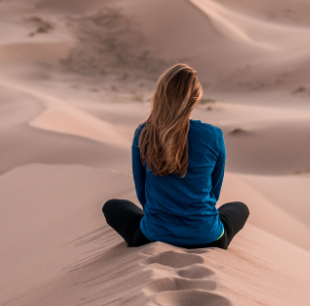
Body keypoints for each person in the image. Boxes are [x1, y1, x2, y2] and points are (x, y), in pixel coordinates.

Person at [102, 63, 249, 249]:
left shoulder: (144, 133)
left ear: (160, 95)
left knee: (113, 206)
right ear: (196, 97)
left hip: (153, 235)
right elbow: (214, 192)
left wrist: (165, 217)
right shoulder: (214, 135)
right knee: (239, 208)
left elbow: (142, 194)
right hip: (207, 237)